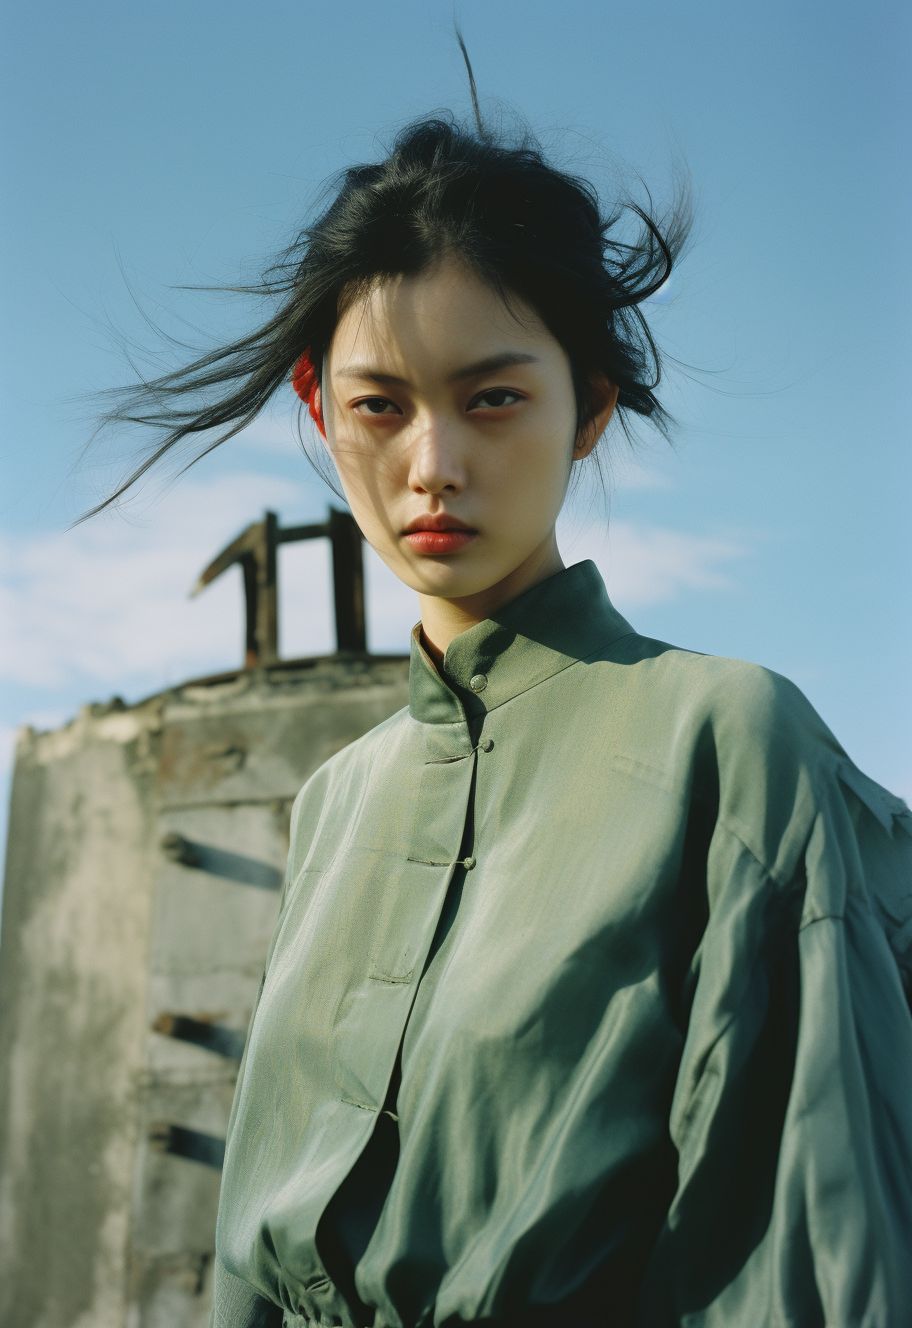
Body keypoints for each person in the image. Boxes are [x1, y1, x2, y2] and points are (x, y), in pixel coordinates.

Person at [80, 39, 912, 1328]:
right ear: (317, 411)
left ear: (590, 409)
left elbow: (803, 1257)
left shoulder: (728, 744)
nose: (432, 465)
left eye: (493, 399)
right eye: (380, 407)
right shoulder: (336, 805)